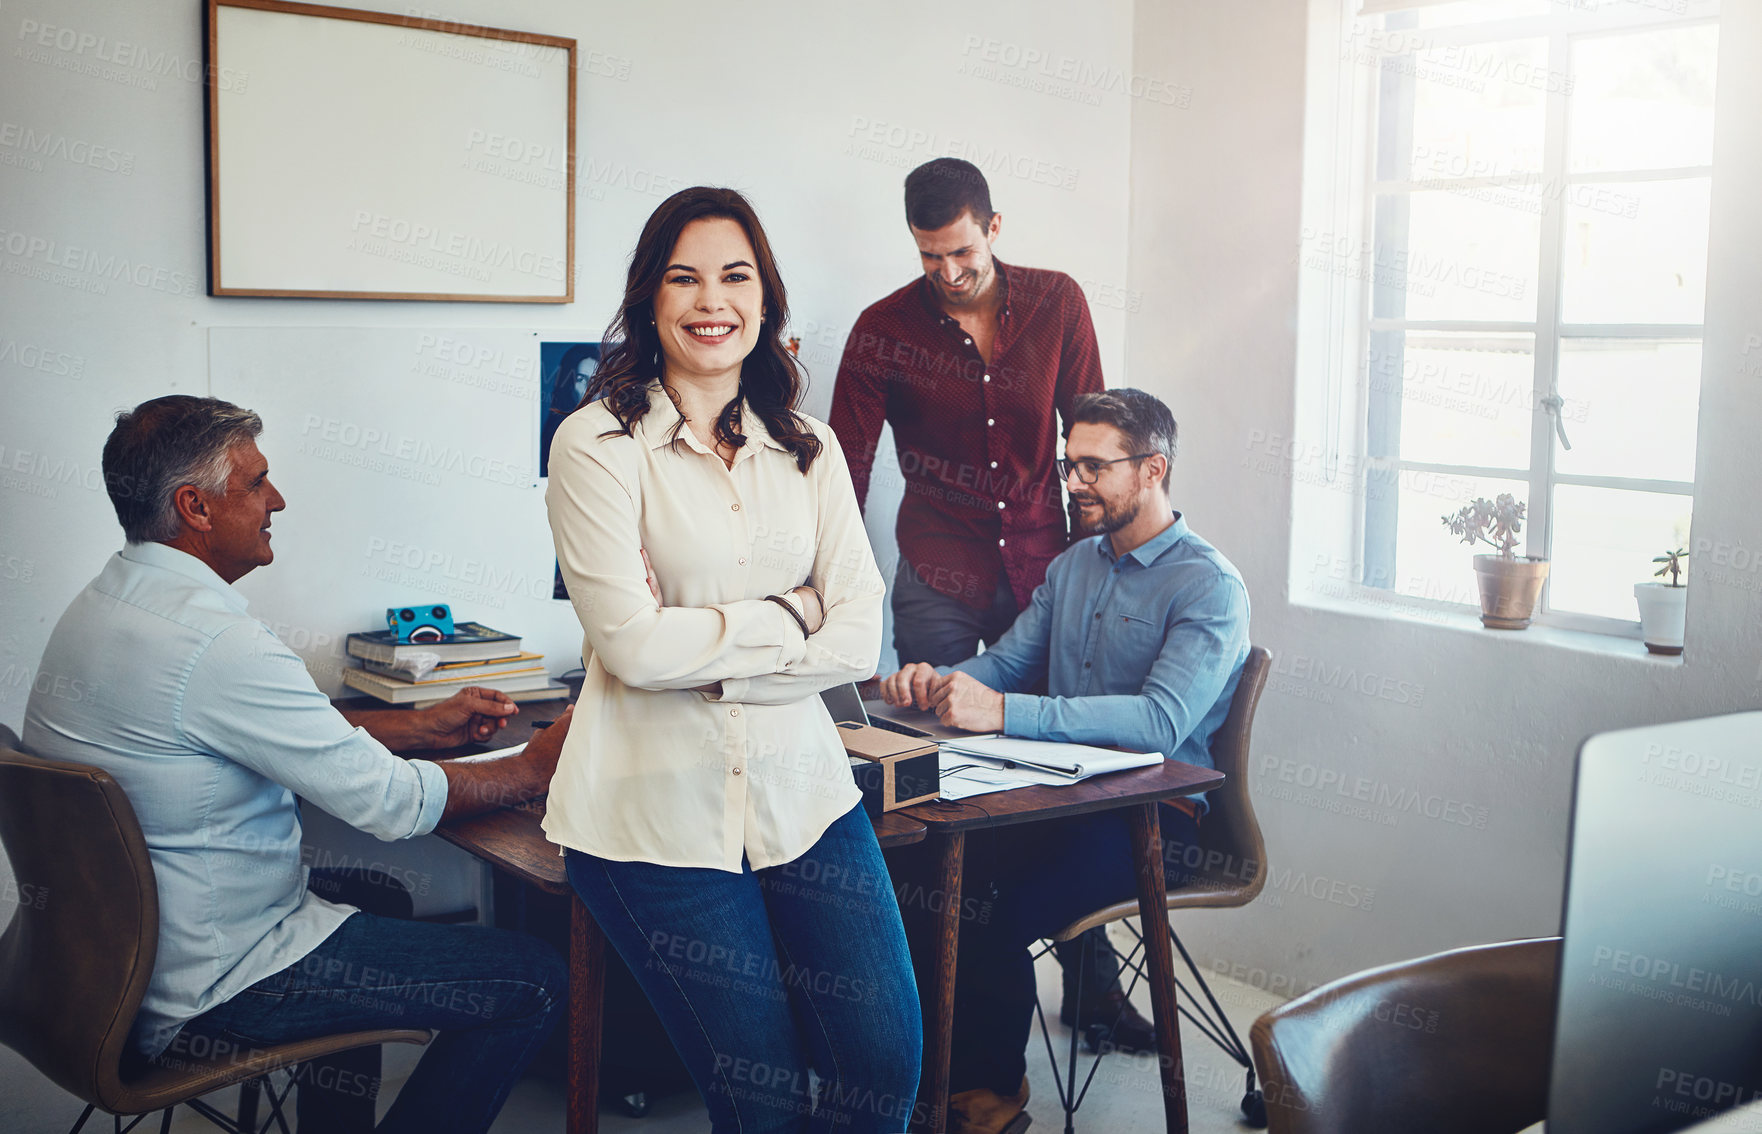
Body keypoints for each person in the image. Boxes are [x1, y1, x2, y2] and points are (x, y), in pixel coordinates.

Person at [22, 395, 571, 1134]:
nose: (276, 500)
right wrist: (535, 769)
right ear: (196, 506)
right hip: (211, 985)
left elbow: (251, 728)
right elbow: (391, 807)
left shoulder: (109, 602)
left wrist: (413, 726)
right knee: (533, 977)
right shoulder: (214, 642)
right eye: (255, 484)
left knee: (379, 896)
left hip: (102, 967)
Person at [544, 186, 921, 1134]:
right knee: (761, 1103)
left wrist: (705, 647)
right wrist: (789, 613)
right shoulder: (595, 446)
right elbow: (629, 643)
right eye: (685, 277)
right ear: (649, 300)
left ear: (765, 299)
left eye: (735, 276)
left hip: (805, 792)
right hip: (649, 816)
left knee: (883, 1063)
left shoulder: (810, 448)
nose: (713, 300)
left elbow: (856, 639)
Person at [879, 388, 1250, 1134]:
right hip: (1056, 802)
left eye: (1092, 466)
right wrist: (940, 682)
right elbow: (1007, 664)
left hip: (1155, 822)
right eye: (1067, 463)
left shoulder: (1210, 586)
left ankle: (990, 1099)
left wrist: (1005, 712)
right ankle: (923, 1074)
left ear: (1152, 470)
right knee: (916, 866)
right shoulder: (1076, 566)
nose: (1072, 482)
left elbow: (1159, 722)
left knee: (988, 911)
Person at [827, 158, 1126, 1039]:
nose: (947, 274)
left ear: (994, 227)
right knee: (949, 778)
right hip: (939, 580)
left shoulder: (1058, 302)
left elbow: (1094, 439)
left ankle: (1095, 985)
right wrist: (836, 590)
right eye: (928, 258)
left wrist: (1097, 570)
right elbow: (843, 464)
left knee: (1065, 765)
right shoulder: (882, 328)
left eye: (960, 251)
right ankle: (958, 1008)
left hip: (1048, 573)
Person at [539, 341, 601, 477]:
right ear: (568, 384)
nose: (590, 389)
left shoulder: (614, 426)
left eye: (595, 380)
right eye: (581, 379)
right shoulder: (558, 431)